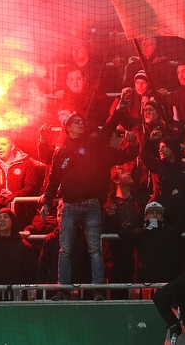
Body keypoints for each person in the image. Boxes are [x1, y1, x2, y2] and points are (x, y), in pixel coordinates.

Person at [40, 112, 140, 300]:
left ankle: (98, 291)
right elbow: (53, 179)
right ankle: (64, 289)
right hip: (69, 206)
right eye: (76, 122)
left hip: (92, 205)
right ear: (67, 127)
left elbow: (117, 141)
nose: (81, 124)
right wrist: (46, 202)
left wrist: (132, 140)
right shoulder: (61, 152)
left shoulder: (94, 146)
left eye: (82, 121)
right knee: (65, 249)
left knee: (95, 248)